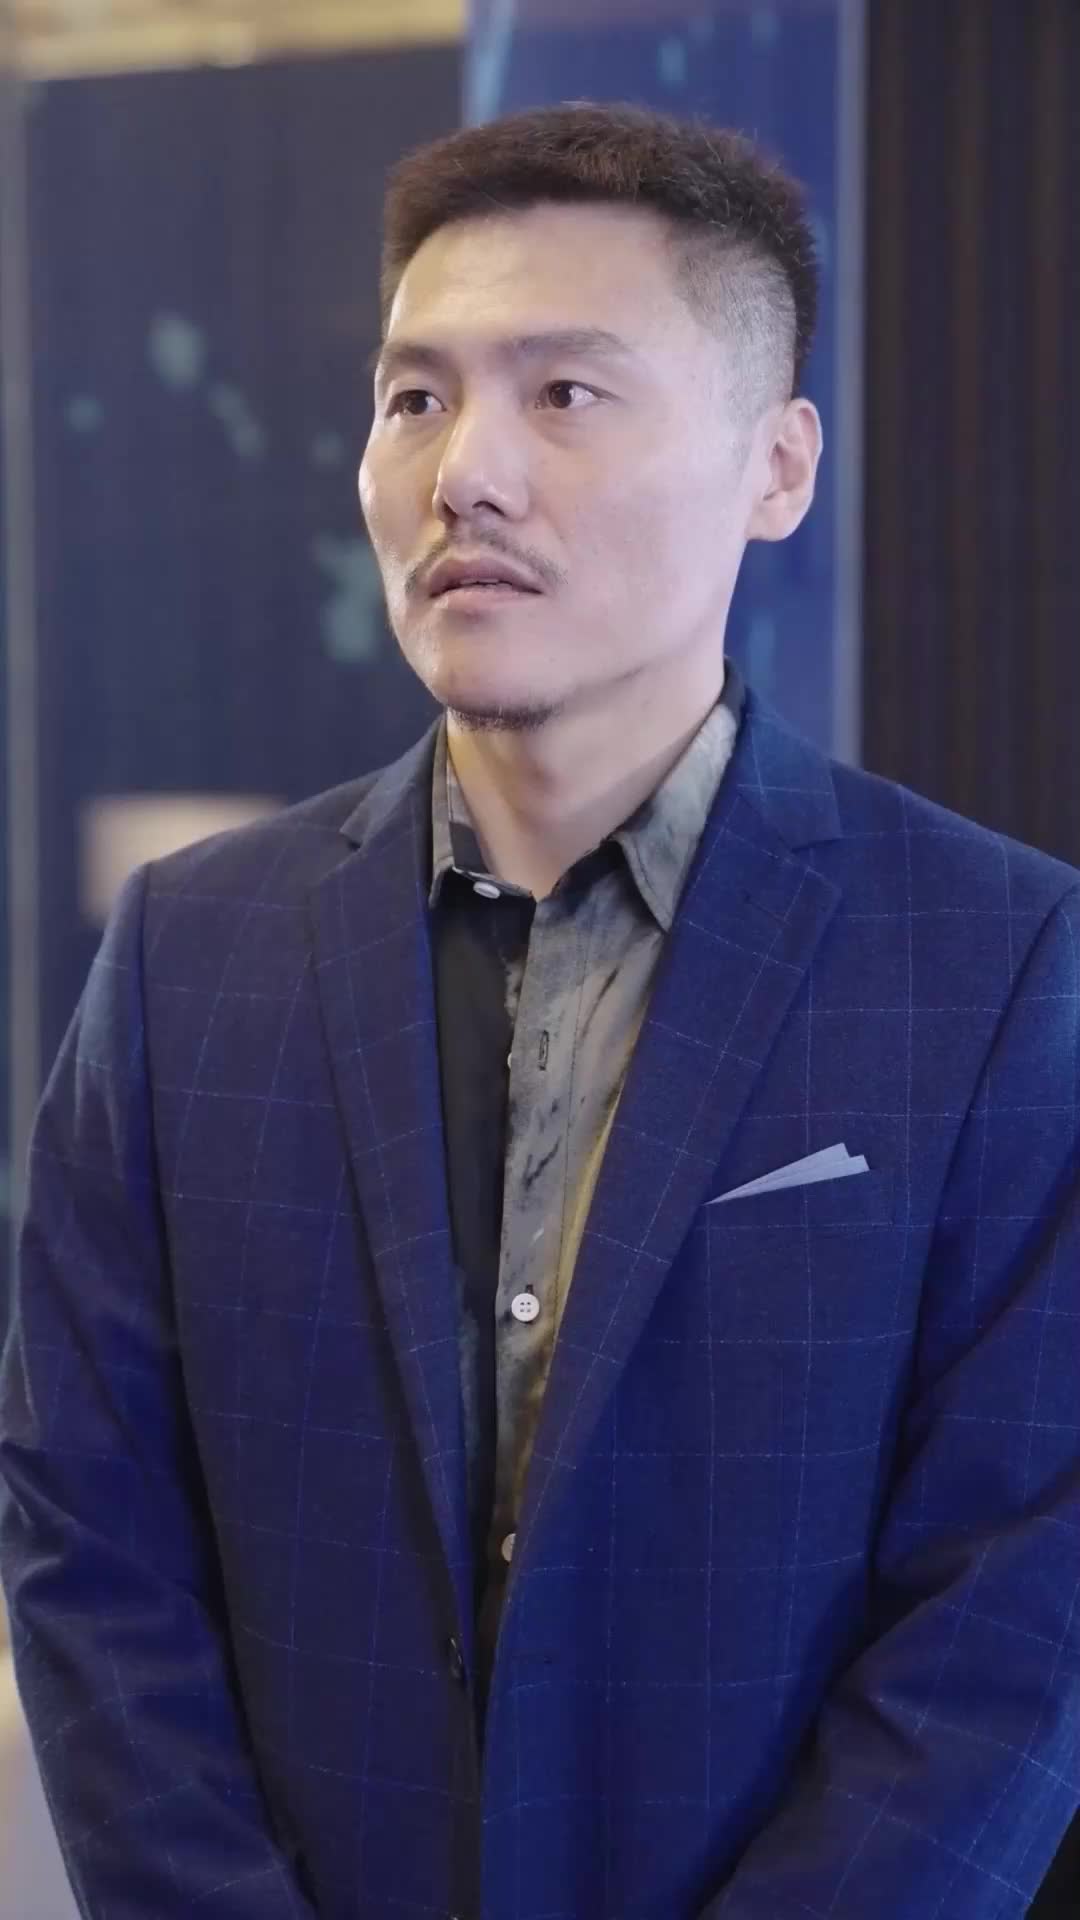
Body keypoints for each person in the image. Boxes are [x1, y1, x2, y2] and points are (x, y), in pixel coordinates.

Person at [1, 99, 1078, 1920]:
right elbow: (88, 1532)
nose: (466, 474)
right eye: (415, 398)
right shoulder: (193, 952)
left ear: (778, 467)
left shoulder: (989, 956)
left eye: (565, 392)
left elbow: (1021, 1599)